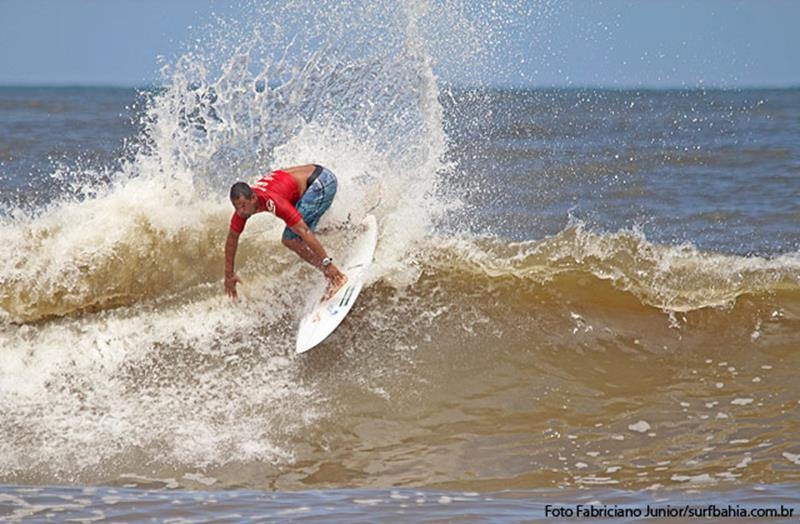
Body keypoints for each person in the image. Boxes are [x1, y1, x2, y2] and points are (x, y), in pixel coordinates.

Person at [224, 164, 347, 300]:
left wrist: (327, 264)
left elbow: (304, 231)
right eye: (236, 207)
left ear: (253, 198)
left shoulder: (272, 201)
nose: (240, 211)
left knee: (291, 238)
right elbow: (232, 239)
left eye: (242, 206)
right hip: (315, 180)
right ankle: (350, 228)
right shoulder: (243, 211)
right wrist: (229, 274)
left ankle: (335, 276)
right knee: (301, 228)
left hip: (321, 183)